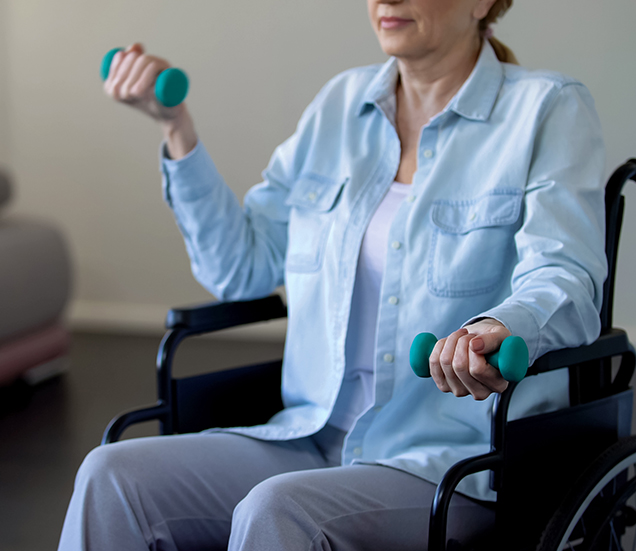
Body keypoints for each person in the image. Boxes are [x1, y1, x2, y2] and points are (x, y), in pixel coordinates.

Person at [58, 0, 607, 549]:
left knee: (280, 509)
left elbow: (565, 277)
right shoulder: (340, 106)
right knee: (111, 476)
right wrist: (174, 125)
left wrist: (501, 325)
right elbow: (239, 266)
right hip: (309, 436)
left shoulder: (546, 108)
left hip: (449, 463)